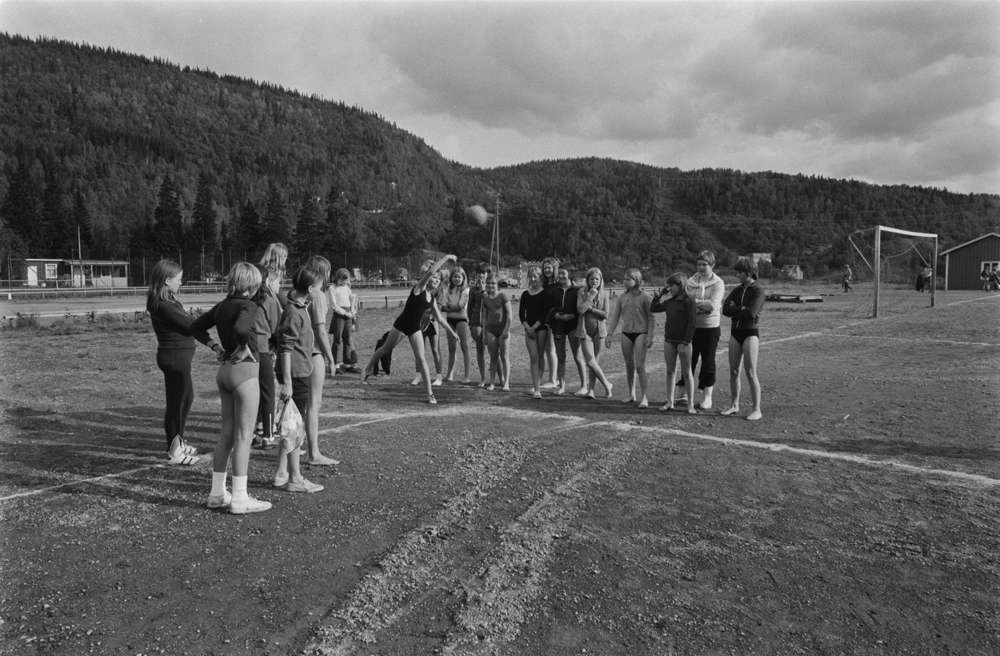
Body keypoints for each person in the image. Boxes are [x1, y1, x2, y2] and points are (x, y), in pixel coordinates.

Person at [190, 262, 272, 514]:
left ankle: (217, 493)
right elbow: (240, 329)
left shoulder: (222, 305)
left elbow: (194, 326)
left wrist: (216, 347)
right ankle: (239, 497)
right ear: (253, 283)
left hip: (224, 370)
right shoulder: (249, 305)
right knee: (244, 436)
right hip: (245, 371)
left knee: (226, 433)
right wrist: (244, 347)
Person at [146, 259, 223, 465]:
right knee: (177, 402)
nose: (181, 283)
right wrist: (214, 341)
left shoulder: (170, 300)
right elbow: (191, 325)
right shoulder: (164, 306)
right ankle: (174, 450)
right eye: (178, 279)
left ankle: (177, 441)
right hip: (174, 358)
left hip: (179, 357)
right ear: (166, 281)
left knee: (186, 399)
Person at [363, 254, 458, 404]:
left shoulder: (431, 299)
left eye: (438, 280)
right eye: (434, 278)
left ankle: (430, 394)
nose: (435, 280)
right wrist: (446, 258)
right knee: (385, 349)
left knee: (421, 358)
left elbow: (439, 319)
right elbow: (431, 271)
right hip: (401, 325)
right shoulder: (419, 288)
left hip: (414, 328)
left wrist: (452, 333)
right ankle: (368, 368)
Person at [273, 265, 326, 495]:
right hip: (295, 375)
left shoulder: (300, 307)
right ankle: (294, 478)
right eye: (320, 286)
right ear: (311, 288)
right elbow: (285, 348)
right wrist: (287, 382)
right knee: (294, 427)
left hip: (300, 372)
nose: (322, 289)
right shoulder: (294, 311)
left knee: (290, 424)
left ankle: (282, 473)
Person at [678, 251, 725, 410]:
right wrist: (700, 305)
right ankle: (683, 393)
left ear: (712, 265)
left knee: (708, 362)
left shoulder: (718, 283)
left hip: (710, 328)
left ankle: (707, 397)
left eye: (705, 264)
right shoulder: (690, 281)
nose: (701, 267)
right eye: (699, 264)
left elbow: (712, 306)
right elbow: (684, 302)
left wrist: (694, 304)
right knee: (688, 360)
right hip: (691, 327)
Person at [721, 257, 766, 421]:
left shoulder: (758, 291)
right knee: (733, 371)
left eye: (739, 272)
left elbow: (751, 313)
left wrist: (737, 309)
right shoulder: (737, 290)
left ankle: (756, 409)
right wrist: (741, 309)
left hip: (750, 333)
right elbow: (725, 309)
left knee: (750, 372)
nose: (737, 274)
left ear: (749, 272)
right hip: (735, 333)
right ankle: (734, 405)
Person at [606, 267, 654, 408]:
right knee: (629, 365)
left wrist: (650, 336)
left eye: (628, 279)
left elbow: (651, 318)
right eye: (624, 279)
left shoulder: (646, 297)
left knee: (640, 365)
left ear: (637, 280)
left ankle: (644, 397)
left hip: (641, 332)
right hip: (626, 333)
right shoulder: (622, 297)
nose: (625, 281)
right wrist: (610, 334)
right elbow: (615, 317)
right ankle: (631, 393)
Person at [651, 273, 697, 414]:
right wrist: (659, 295)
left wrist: (686, 341)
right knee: (670, 371)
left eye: (672, 285)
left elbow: (692, 323)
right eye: (669, 285)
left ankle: (690, 405)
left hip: (684, 343)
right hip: (669, 341)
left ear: (680, 285)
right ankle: (670, 402)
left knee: (687, 373)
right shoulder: (670, 302)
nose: (669, 288)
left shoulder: (689, 301)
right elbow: (654, 308)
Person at [251, 264, 282, 450]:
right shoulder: (268, 300)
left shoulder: (245, 298)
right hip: (263, 350)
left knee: (253, 394)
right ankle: (268, 435)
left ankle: (255, 431)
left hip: (246, 350)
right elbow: (276, 327)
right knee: (268, 393)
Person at [576, 267, 613, 399]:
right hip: (584, 330)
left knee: (595, 361)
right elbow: (580, 310)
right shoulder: (581, 292)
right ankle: (607, 384)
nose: (594, 281)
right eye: (592, 279)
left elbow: (605, 314)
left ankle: (591, 390)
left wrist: (591, 310)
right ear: (588, 280)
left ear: (601, 280)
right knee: (590, 361)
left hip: (600, 331)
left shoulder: (604, 294)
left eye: (597, 279)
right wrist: (590, 296)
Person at [549, 268, 587, 396]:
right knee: (561, 357)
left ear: (569, 276)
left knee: (577, 356)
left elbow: (581, 307)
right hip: (558, 326)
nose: (561, 276)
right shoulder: (555, 291)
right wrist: (556, 316)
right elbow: (550, 308)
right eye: (559, 274)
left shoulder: (577, 290)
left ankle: (584, 386)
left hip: (573, 327)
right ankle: (562, 386)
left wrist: (572, 316)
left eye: (563, 274)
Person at [519, 266, 550, 399]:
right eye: (530, 276)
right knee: (533, 356)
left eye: (535, 276)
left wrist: (535, 327)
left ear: (540, 278)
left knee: (540, 355)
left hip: (541, 329)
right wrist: (527, 327)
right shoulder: (525, 294)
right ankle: (536, 388)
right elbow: (521, 314)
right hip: (529, 329)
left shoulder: (545, 294)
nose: (532, 279)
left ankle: (538, 384)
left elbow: (544, 314)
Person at [439, 265, 472, 383]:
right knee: (451, 348)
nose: (456, 279)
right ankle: (450, 374)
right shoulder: (448, 289)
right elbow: (442, 305)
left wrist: (448, 308)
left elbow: (460, 306)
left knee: (464, 346)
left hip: (462, 320)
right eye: (454, 276)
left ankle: (467, 376)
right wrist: (447, 308)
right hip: (450, 320)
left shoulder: (466, 290)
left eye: (459, 277)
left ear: (463, 278)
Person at [481, 272, 512, 390]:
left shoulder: (503, 296)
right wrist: (484, 334)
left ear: (497, 284)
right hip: (490, 330)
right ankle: (492, 382)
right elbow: (484, 317)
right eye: (488, 283)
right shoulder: (485, 298)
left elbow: (509, 315)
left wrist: (506, 331)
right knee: (493, 357)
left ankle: (506, 382)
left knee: (504, 357)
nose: (490, 286)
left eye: (493, 283)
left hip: (503, 330)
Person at [328, 268, 358, 373]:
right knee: (337, 340)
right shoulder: (332, 288)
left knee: (348, 339)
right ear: (338, 278)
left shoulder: (346, 287)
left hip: (348, 314)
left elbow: (351, 299)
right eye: (343, 279)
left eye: (346, 280)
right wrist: (345, 313)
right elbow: (334, 305)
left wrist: (353, 310)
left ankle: (348, 363)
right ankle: (335, 365)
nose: (345, 282)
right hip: (339, 315)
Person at [539, 257, 561, 388]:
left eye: (549, 267)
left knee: (551, 349)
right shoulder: (545, 283)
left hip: (553, 321)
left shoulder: (557, 284)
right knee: (548, 349)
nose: (547, 270)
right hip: (544, 319)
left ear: (554, 269)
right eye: (545, 267)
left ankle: (553, 380)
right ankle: (554, 378)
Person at [467, 263, 490, 386]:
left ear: (488, 274)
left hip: (490, 324)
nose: (481, 275)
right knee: (480, 350)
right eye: (479, 273)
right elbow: (469, 307)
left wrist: (484, 290)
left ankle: (501, 378)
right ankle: (483, 378)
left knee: (494, 351)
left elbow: (494, 304)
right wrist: (470, 323)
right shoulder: (472, 290)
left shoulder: (492, 287)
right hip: (476, 324)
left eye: (484, 273)